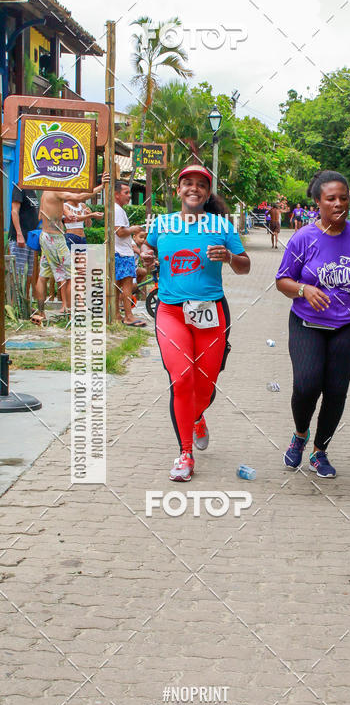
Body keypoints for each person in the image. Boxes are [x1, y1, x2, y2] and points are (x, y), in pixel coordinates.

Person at [140, 164, 250, 482]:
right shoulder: (162, 224)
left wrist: (230, 258)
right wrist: (146, 259)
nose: (193, 188)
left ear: (207, 192)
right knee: (182, 379)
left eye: (200, 184)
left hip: (210, 313)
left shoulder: (221, 226)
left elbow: (245, 266)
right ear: (178, 190)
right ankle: (185, 453)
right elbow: (147, 253)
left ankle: (198, 415)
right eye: (187, 183)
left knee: (205, 385)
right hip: (171, 311)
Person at [276, 169, 350, 478]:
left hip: (346, 326)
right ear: (318, 203)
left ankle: (320, 451)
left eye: (344, 198)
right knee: (307, 385)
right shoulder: (304, 238)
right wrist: (304, 289)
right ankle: (299, 434)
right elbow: (282, 280)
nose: (339, 204)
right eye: (331, 199)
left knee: (336, 391)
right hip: (307, 324)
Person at [35, 182, 103, 317]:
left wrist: (60, 215)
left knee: (43, 276)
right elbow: (80, 197)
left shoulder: (45, 193)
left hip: (45, 236)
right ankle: (71, 313)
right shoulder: (56, 190)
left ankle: (41, 312)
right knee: (73, 275)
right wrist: (101, 186)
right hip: (56, 238)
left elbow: (40, 216)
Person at [114, 179, 146, 327]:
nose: (129, 196)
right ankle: (128, 315)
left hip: (118, 251)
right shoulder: (118, 210)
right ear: (116, 194)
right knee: (127, 284)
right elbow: (119, 232)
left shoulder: (116, 209)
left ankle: (116, 314)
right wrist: (133, 229)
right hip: (123, 252)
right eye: (126, 193)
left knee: (117, 285)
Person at [9, 186, 40, 297]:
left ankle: (25, 304)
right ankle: (15, 305)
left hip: (31, 239)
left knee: (28, 274)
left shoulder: (34, 190)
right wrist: (19, 234)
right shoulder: (19, 187)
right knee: (18, 273)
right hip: (20, 238)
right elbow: (14, 211)